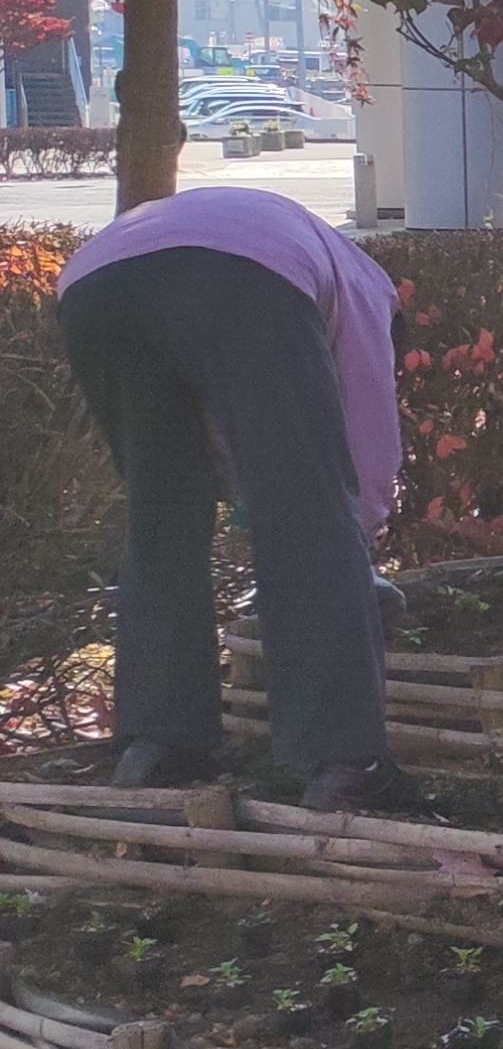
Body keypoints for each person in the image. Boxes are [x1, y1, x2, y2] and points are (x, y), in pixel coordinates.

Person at [56, 185, 412, 807]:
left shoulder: (303, 247)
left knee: (162, 515)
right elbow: (365, 445)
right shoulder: (369, 292)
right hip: (239, 277)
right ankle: (345, 763)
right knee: (310, 515)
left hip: (94, 288)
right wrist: (362, 544)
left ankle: (159, 744)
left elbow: (226, 434)